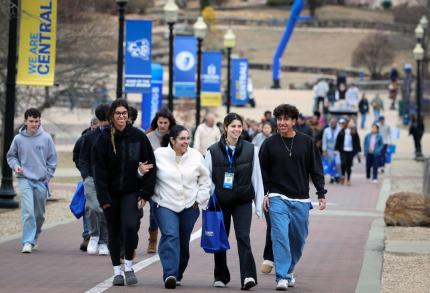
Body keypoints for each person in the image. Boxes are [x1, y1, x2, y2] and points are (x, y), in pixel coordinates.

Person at [259, 104, 326, 290]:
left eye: (286, 119)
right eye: (279, 119)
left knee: (298, 238)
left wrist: (321, 193)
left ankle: (289, 270)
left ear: (293, 121)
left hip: (301, 198)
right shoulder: (269, 144)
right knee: (280, 235)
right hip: (277, 197)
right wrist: (264, 193)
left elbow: (316, 169)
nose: (281, 122)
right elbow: (261, 172)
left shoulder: (306, 142)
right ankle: (281, 276)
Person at [92, 99, 156, 286]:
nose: (121, 116)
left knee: (129, 227)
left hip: (131, 191)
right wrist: (103, 198)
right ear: (112, 115)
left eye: (124, 113)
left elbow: (150, 166)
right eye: (118, 113)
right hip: (110, 194)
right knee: (114, 232)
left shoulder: (138, 137)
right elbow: (99, 172)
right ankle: (117, 271)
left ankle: (128, 265)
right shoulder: (102, 139)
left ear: (128, 116)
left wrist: (145, 193)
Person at [204, 113, 264, 291]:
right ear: (225, 128)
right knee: (221, 238)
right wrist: (208, 201)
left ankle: (248, 276)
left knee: (243, 237)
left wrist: (258, 205)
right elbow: (207, 179)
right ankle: (220, 276)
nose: (237, 129)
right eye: (233, 126)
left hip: (243, 201)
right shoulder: (212, 151)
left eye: (239, 126)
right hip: (220, 202)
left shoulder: (251, 149)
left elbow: (257, 177)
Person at [152, 125, 211, 289]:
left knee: (183, 241)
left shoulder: (196, 156)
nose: (186, 142)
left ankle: (178, 272)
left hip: (189, 206)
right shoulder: (159, 155)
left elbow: (205, 181)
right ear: (172, 140)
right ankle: (169, 273)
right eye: (182, 139)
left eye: (188, 138)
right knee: (171, 235)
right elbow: (147, 175)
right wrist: (140, 173)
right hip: (164, 203)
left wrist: (199, 200)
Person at [7, 108, 57, 253]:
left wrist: (47, 176)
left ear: (39, 121)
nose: (34, 124)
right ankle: (27, 241)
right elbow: (11, 156)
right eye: (31, 121)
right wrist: (16, 166)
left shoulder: (46, 138)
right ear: (25, 121)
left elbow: (52, 160)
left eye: (36, 121)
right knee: (28, 211)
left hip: (41, 181)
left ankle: (34, 237)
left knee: (39, 215)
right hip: (24, 179)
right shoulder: (18, 139)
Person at [79, 104, 111, 255]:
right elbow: (82, 158)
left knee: (105, 208)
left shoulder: (114, 135)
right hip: (91, 177)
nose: (104, 124)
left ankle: (104, 241)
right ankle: (94, 235)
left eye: (106, 120)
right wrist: (85, 176)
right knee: (92, 207)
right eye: (102, 120)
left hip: (108, 179)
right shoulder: (89, 137)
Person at [145, 108, 176, 253]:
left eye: (165, 122)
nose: (162, 125)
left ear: (170, 123)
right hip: (154, 179)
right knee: (153, 212)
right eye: (160, 122)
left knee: (170, 210)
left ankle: (169, 238)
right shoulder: (149, 137)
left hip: (171, 180)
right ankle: (152, 239)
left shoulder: (175, 136)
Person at [73, 117, 98, 252]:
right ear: (91, 125)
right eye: (94, 125)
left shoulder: (105, 136)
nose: (96, 127)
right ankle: (87, 235)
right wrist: (84, 172)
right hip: (88, 177)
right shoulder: (83, 139)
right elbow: (77, 156)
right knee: (88, 206)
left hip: (103, 178)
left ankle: (101, 235)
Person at [335, 118, 361, 186]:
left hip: (351, 151)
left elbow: (357, 141)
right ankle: (343, 176)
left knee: (349, 165)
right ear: (347, 123)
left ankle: (348, 179)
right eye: (351, 122)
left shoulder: (354, 131)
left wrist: (359, 151)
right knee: (343, 163)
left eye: (353, 122)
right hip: (343, 150)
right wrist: (336, 149)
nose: (352, 124)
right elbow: (338, 140)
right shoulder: (342, 131)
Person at [322, 117, 341, 183]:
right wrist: (324, 150)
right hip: (329, 149)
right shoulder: (326, 130)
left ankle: (337, 176)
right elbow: (324, 141)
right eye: (331, 123)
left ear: (336, 123)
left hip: (337, 150)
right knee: (331, 163)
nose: (333, 124)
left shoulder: (339, 130)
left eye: (334, 123)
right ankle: (332, 177)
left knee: (338, 163)